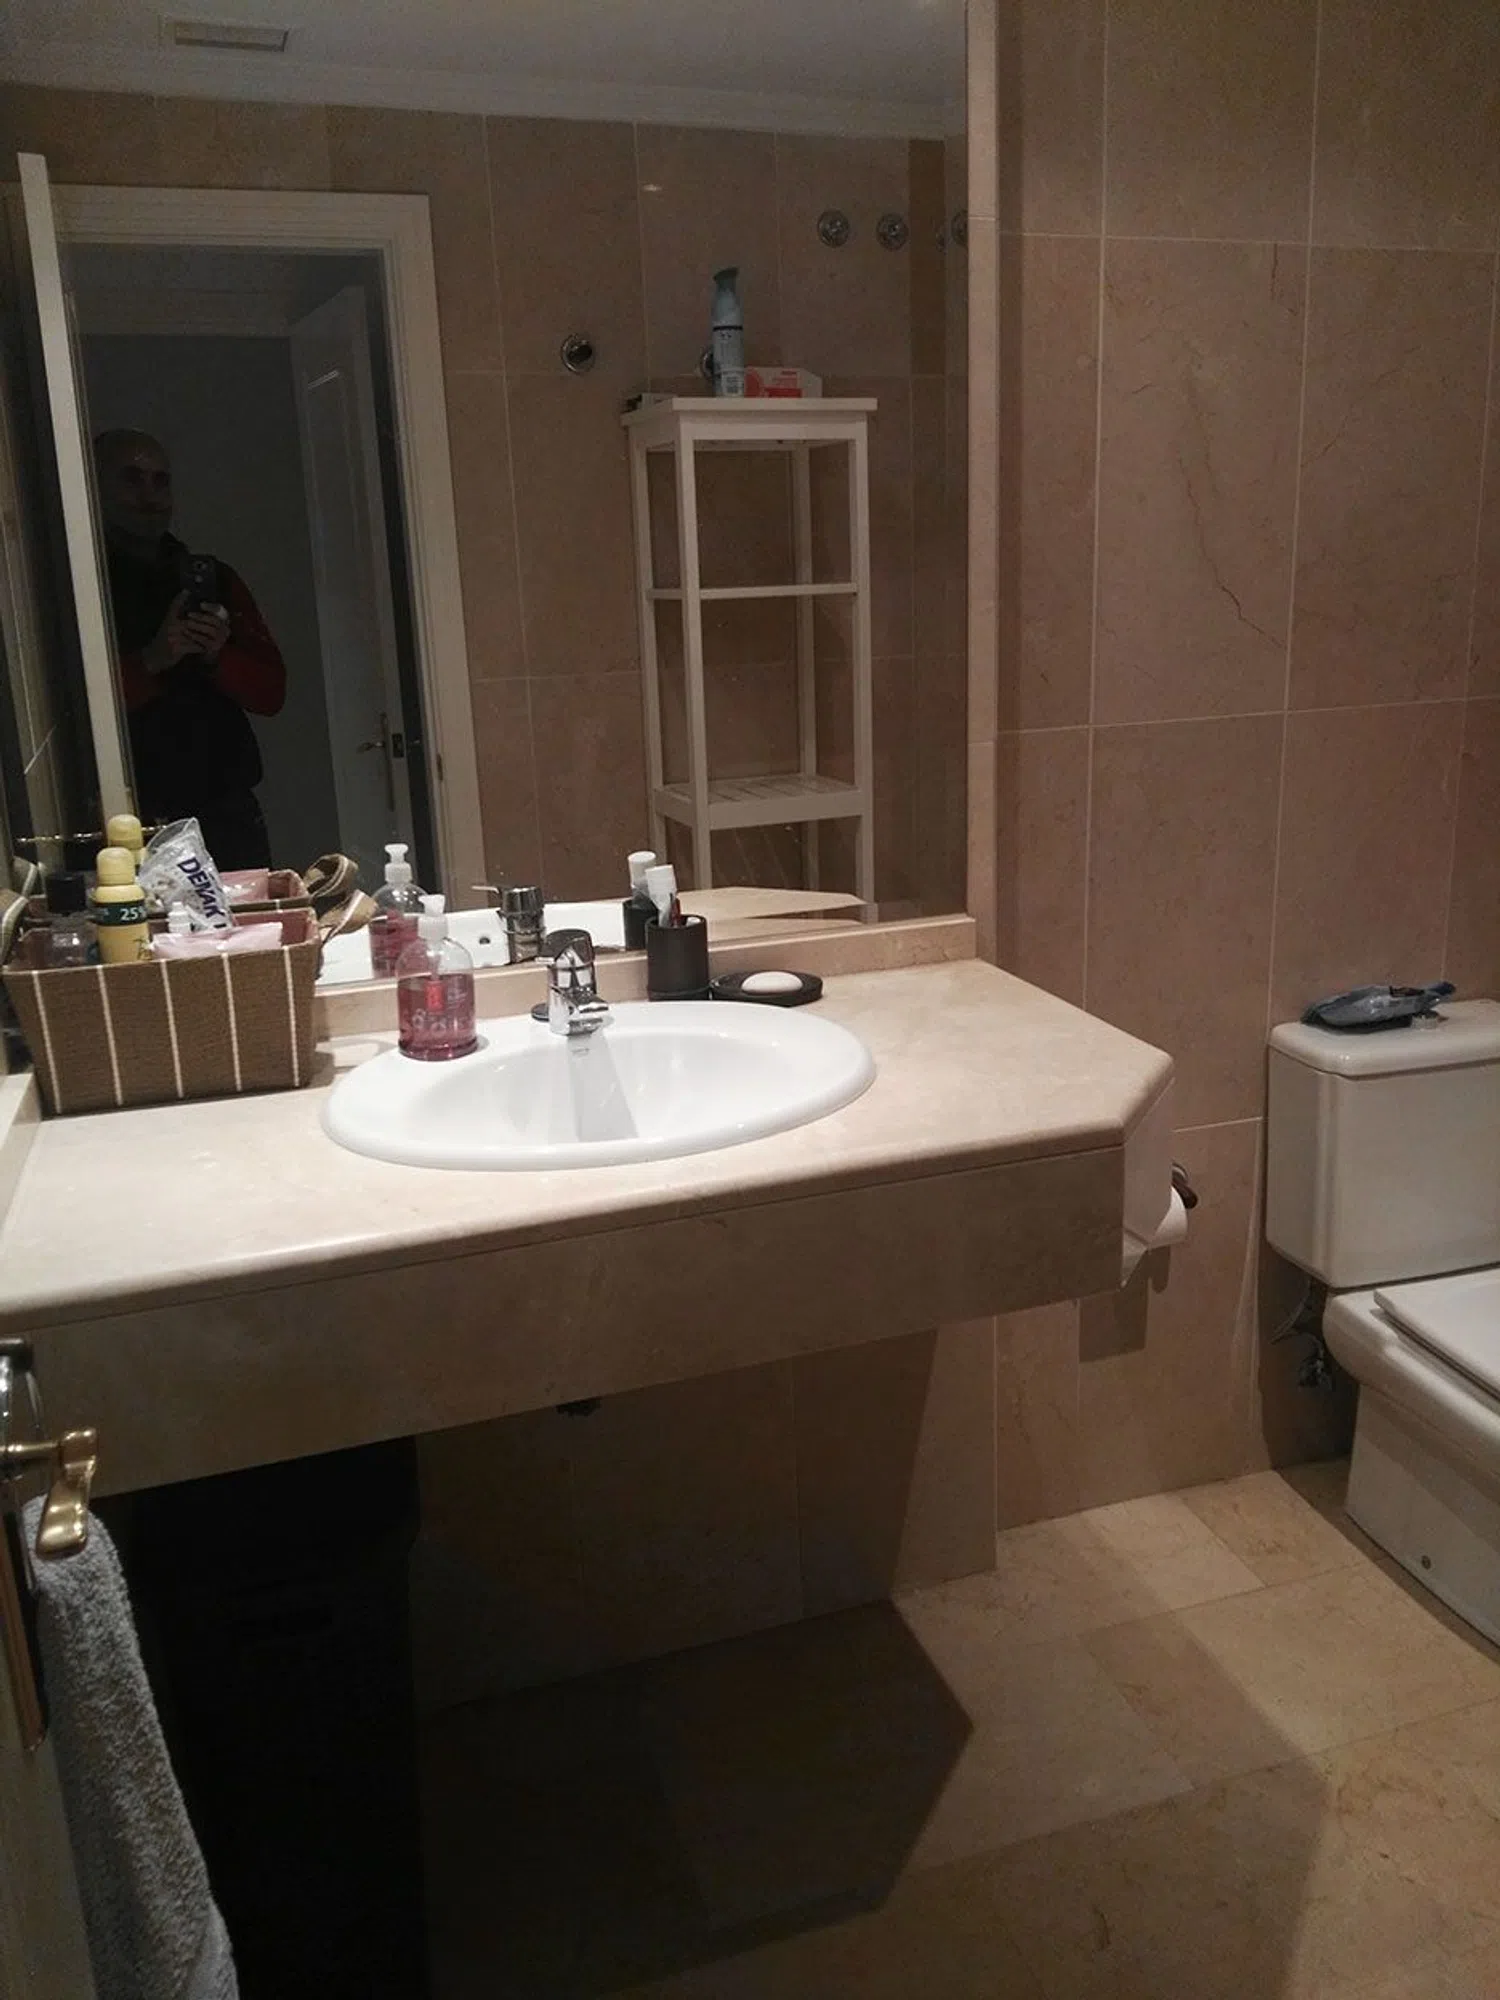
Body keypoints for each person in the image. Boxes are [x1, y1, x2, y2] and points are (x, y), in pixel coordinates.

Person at [93, 428, 287, 869]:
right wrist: (152, 661)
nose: (150, 496)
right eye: (132, 479)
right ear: (96, 486)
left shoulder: (214, 581)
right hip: (132, 816)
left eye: (161, 481)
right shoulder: (84, 588)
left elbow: (272, 694)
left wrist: (218, 657)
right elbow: (75, 714)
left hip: (224, 811)